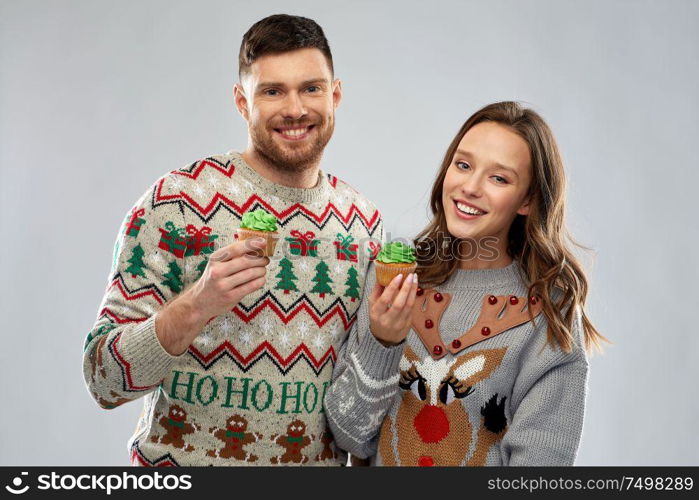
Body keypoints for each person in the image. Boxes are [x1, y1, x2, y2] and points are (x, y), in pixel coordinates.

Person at [82, 14, 383, 466]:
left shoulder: (363, 224)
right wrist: (197, 304)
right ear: (242, 102)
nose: (296, 108)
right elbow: (103, 380)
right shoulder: (177, 202)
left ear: (335, 95)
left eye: (311, 88)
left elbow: (359, 413)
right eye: (272, 90)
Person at [324, 101, 607, 466]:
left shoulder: (550, 312)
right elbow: (350, 438)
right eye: (463, 165)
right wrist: (382, 342)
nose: (470, 187)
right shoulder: (392, 279)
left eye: (499, 178)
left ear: (527, 200)